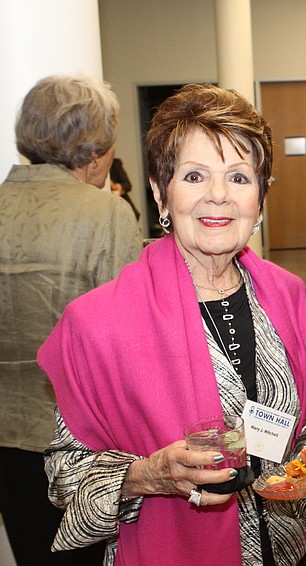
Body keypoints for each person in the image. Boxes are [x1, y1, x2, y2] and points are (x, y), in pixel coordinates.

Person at [37, 84, 306, 566]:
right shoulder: (99, 323)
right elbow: (64, 477)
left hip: (289, 549)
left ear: (260, 198)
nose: (218, 196)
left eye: (240, 178)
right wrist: (150, 474)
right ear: (161, 191)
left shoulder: (289, 296)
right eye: (195, 175)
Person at [0, 75, 141, 566]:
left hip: (5, 436)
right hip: (82, 445)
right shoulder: (106, 214)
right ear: (97, 151)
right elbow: (127, 341)